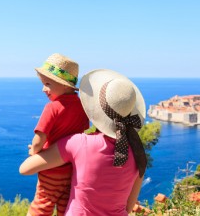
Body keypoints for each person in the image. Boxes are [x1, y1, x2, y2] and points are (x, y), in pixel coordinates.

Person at [20, 69, 148, 216]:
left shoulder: (80, 143)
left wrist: (37, 150)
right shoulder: (138, 154)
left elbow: (25, 169)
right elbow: (128, 207)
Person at [27, 53, 89, 216]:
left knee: (43, 205)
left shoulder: (52, 108)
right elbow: (82, 135)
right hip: (71, 169)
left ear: (65, 85)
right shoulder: (82, 107)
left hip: (51, 170)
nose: (43, 89)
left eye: (47, 84)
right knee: (65, 206)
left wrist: (34, 152)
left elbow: (38, 141)